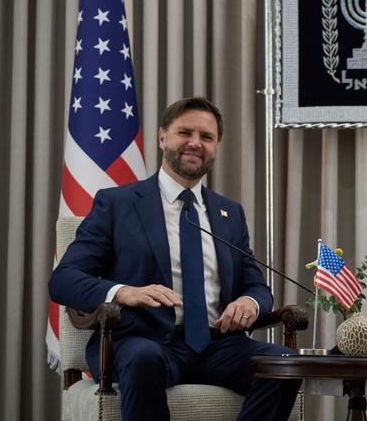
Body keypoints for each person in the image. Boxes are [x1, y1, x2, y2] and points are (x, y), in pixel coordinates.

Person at [50, 97, 300, 421]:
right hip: (142, 341)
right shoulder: (117, 204)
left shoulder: (230, 213)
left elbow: (256, 285)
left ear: (215, 147)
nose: (196, 143)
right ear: (162, 137)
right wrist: (123, 292)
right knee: (143, 358)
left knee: (285, 364)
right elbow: (63, 279)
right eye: (185, 132)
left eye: (207, 137)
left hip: (217, 345)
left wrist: (251, 302)